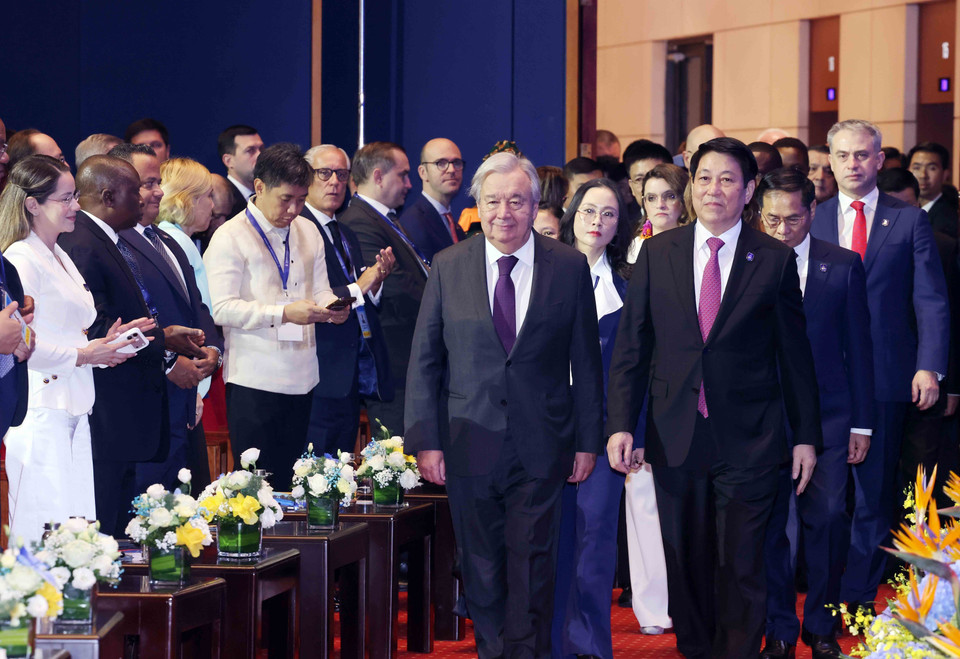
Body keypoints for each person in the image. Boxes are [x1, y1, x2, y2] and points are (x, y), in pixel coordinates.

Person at [606, 137, 822, 658]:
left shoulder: (773, 259)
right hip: (675, 432)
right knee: (687, 563)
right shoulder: (658, 253)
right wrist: (622, 424)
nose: (713, 189)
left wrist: (805, 437)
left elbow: (794, 357)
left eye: (727, 179)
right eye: (703, 178)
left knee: (742, 563)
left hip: (751, 438)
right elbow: (634, 348)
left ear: (748, 190)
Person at [405, 151, 604, 658]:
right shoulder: (449, 265)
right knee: (482, 565)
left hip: (543, 442)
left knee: (534, 563)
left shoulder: (568, 266)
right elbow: (425, 360)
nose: (504, 213)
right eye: (493, 201)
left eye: (516, 201)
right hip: (468, 441)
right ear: (477, 206)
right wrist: (425, 441)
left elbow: (586, 362)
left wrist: (588, 442)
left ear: (535, 205)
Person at [810, 119, 950, 615]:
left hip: (887, 377)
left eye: (862, 155)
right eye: (843, 155)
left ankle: (857, 598)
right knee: (825, 501)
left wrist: (929, 366)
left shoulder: (908, 220)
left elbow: (930, 299)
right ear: (830, 160)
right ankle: (822, 594)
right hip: (822, 377)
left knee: (873, 496)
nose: (852, 164)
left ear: (879, 159)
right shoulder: (811, 217)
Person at [0, 155, 154, 542]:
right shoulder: (21, 258)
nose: (76, 206)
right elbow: (22, 342)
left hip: (76, 403)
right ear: (33, 205)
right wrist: (85, 355)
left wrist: (105, 344)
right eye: (65, 199)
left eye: (75, 197)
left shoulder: (60, 254)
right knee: (42, 526)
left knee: (77, 523)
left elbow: (68, 330)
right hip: (42, 407)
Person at [756, 167, 874, 659]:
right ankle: (780, 628)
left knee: (826, 521)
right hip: (764, 418)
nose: (782, 229)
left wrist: (861, 422)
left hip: (830, 417)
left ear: (812, 212)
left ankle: (821, 625)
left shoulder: (842, 264)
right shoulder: (747, 262)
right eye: (772, 219)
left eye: (793, 219)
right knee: (772, 529)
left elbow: (859, 349)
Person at [57, 155, 207, 537]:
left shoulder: (107, 239)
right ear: (108, 196)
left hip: (129, 409)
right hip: (109, 407)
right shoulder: (83, 243)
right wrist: (163, 342)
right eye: (134, 190)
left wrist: (165, 338)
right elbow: (96, 327)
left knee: (124, 526)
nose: (143, 198)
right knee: (111, 524)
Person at [204, 143, 348, 490]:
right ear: (259, 187)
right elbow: (220, 308)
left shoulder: (308, 230)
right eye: (286, 199)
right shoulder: (230, 236)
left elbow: (320, 290)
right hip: (254, 378)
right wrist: (283, 313)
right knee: (255, 486)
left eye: (301, 199)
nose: (293, 209)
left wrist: (333, 308)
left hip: (304, 376)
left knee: (293, 483)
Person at [550, 178, 635, 658]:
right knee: (551, 540)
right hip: (547, 426)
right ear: (572, 214)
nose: (597, 222)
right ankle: (552, 643)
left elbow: (640, 366)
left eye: (608, 213)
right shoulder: (543, 272)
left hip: (605, 431)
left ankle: (590, 646)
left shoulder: (629, 285)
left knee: (596, 539)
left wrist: (634, 430)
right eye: (588, 211)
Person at [107, 144, 221, 495]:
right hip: (146, 402)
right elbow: (120, 319)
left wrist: (211, 350)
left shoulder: (168, 241)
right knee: (149, 510)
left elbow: (197, 306)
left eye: (158, 182)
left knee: (185, 507)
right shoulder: (113, 244)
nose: (158, 191)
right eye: (148, 183)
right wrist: (169, 361)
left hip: (183, 403)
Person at [300, 144, 396, 455]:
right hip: (316, 373)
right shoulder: (297, 230)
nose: (335, 182)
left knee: (340, 469)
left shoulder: (345, 232)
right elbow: (310, 295)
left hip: (351, 374)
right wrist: (360, 285)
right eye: (324, 173)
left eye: (342, 175)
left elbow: (361, 295)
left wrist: (376, 282)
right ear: (305, 177)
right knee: (312, 469)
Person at [877, 167, 960, 510]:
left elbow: (951, 317)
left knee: (921, 471)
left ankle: (916, 536)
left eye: (908, 209)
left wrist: (952, 384)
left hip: (927, 383)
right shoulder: (858, 246)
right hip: (879, 380)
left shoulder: (944, 246)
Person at [340, 141, 424, 434]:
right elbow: (396, 286)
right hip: (392, 363)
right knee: (395, 452)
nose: (409, 184)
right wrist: (443, 300)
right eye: (403, 175)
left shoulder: (385, 218)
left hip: (405, 362)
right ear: (378, 176)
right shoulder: (358, 221)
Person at [155, 158, 216, 309]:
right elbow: (202, 309)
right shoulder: (179, 242)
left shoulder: (166, 236)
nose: (213, 205)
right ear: (189, 199)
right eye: (209, 195)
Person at [399, 138, 466, 264]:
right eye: (441, 163)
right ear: (423, 172)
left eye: (456, 162)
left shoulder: (455, 226)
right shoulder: (413, 223)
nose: (452, 170)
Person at [627, 163, 690, 263]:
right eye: (651, 198)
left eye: (670, 196)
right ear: (644, 203)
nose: (660, 205)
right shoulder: (635, 248)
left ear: (684, 199)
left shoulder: (696, 244)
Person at [907, 141, 958, 238]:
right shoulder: (901, 208)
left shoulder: (948, 219)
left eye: (932, 168)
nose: (923, 175)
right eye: (917, 168)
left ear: (945, 174)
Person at [218, 125, 263, 219]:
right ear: (228, 161)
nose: (260, 155)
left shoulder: (268, 195)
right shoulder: (221, 203)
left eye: (261, 149)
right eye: (250, 150)